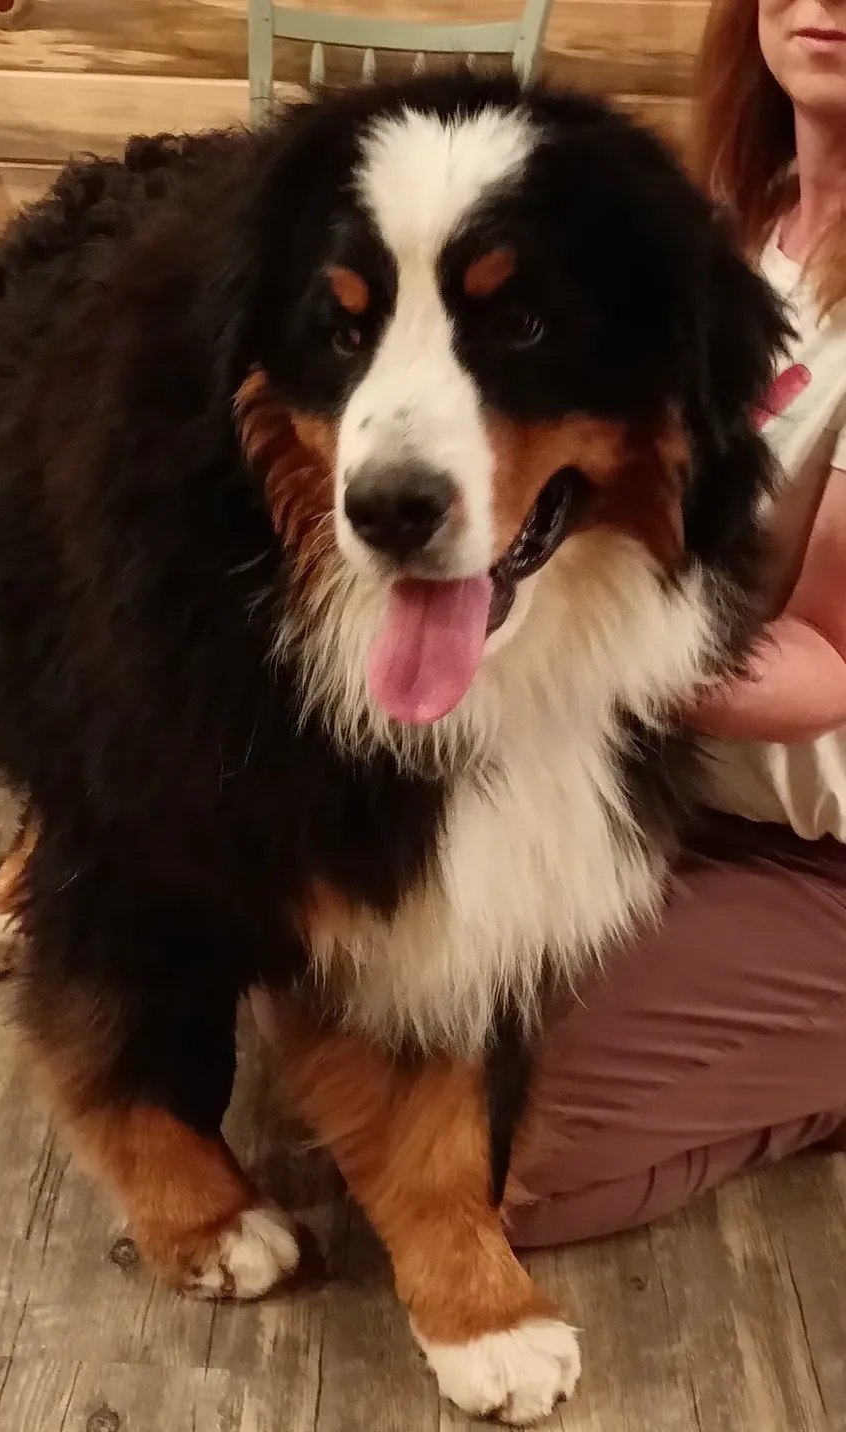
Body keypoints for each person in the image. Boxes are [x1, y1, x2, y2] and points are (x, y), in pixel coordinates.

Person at [507, 0, 846, 1246]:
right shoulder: (728, 233)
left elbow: (822, 668)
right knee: (350, 1018)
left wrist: (556, 649)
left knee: (510, 1160)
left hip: (819, 847)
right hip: (675, 790)